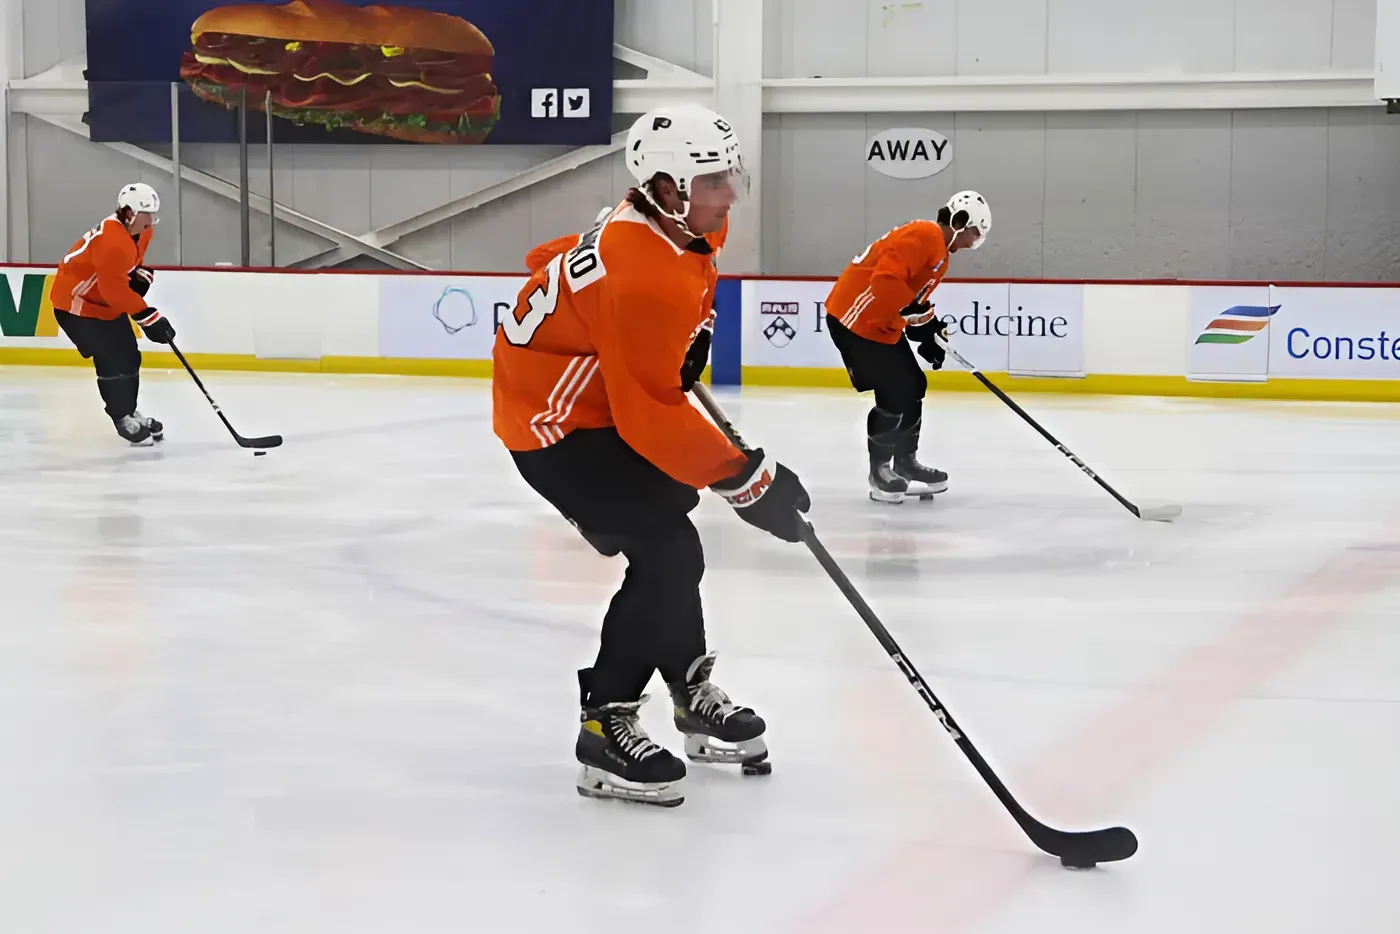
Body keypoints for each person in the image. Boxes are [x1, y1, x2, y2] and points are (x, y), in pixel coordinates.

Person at [492, 103, 811, 808]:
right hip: (556, 426)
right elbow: (649, 418)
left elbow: (559, 263)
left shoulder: (683, 223)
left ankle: (689, 690)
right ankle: (605, 725)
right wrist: (747, 480)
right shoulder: (639, 272)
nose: (728, 194)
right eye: (712, 180)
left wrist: (689, 335)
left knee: (674, 537)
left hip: (600, 401)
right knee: (667, 550)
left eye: (731, 174)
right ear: (665, 189)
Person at [823, 192, 992, 503]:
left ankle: (905, 462)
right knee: (895, 391)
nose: (973, 242)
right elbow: (885, 282)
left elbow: (910, 298)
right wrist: (922, 322)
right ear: (960, 222)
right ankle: (879, 472)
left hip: (881, 324)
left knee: (914, 383)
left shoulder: (940, 252)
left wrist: (928, 332)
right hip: (855, 321)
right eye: (974, 233)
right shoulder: (925, 235)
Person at [51, 183, 176, 445]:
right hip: (77, 306)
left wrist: (135, 274)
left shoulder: (143, 232)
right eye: (146, 213)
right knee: (113, 358)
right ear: (129, 213)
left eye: (153, 213)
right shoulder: (112, 242)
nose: (151, 220)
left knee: (130, 355)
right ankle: (122, 417)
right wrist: (148, 316)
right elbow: (113, 291)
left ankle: (130, 410)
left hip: (103, 303)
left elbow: (122, 274)